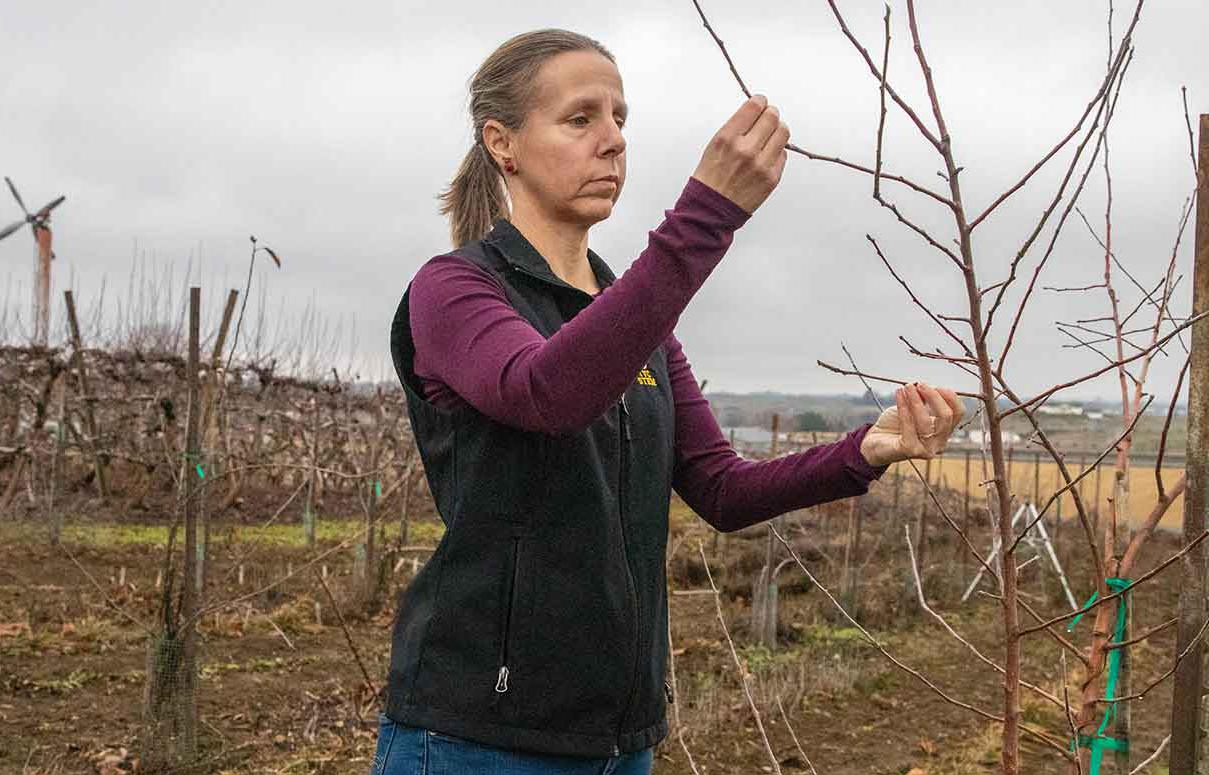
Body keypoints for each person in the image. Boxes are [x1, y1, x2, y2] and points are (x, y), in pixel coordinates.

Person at [377, 28, 964, 775]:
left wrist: (864, 449)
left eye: (621, 118)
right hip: (477, 735)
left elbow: (721, 488)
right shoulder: (457, 289)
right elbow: (543, 390)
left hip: (620, 739)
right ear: (503, 143)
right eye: (581, 118)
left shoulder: (635, 323)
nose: (614, 141)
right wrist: (706, 215)